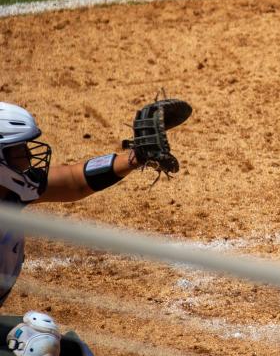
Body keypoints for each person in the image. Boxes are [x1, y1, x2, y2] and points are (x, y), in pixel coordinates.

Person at [0, 100, 186, 354]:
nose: (30, 156)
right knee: (40, 347)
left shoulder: (10, 191)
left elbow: (75, 181)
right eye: (18, 149)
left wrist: (135, 157)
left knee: (73, 351)